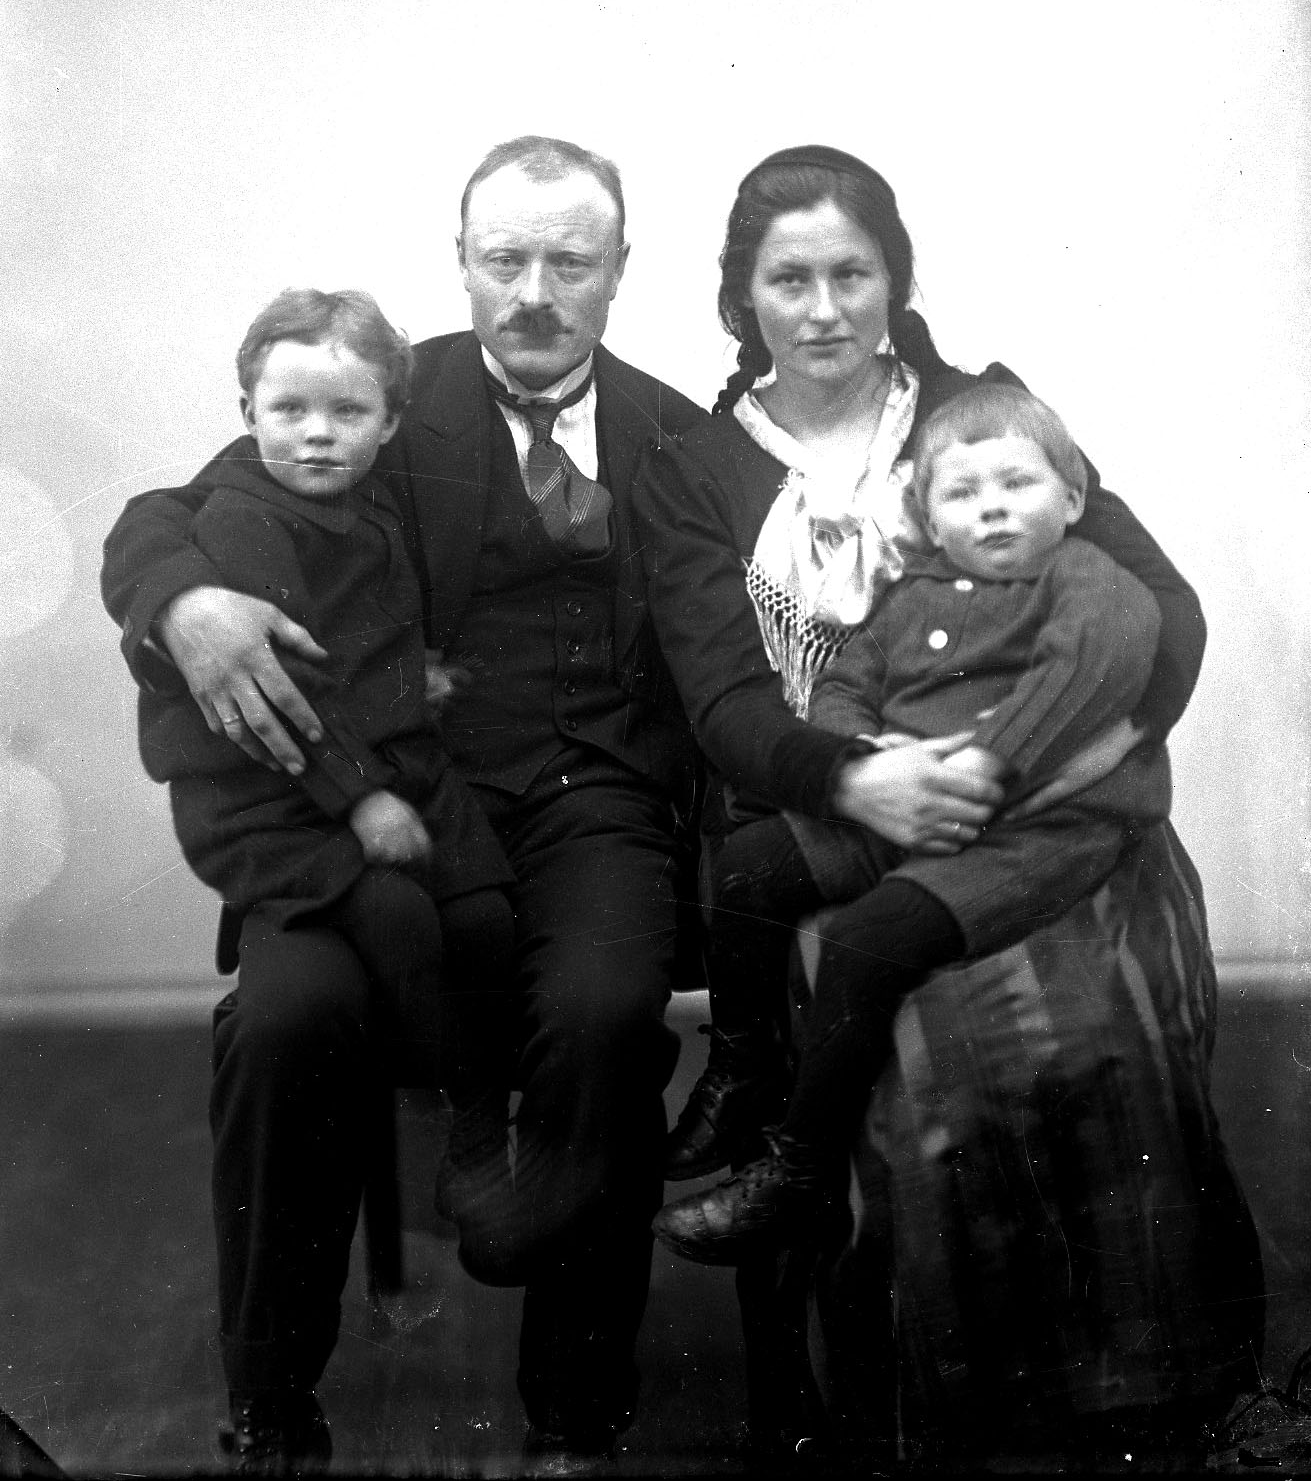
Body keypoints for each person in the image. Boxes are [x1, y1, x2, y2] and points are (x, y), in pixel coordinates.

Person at [631, 145, 1258, 1457]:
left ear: (894, 279)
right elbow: (725, 703)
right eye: (787, 280)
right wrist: (861, 777)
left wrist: (1083, 760)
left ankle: (1126, 1377)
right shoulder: (693, 465)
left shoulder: (980, 414)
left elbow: (1159, 608)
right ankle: (907, 1400)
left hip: (1052, 800)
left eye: (850, 274)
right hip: (823, 794)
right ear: (741, 297)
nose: (822, 309)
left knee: (1089, 1016)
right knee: (911, 1032)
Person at [101, 137, 705, 1472]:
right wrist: (181, 602)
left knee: (605, 1012)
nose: (534, 294)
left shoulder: (675, 432)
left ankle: (575, 1412)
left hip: (587, 803)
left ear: (619, 268)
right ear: (461, 263)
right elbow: (171, 511)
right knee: (283, 1020)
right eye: (505, 259)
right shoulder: (379, 395)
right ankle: (270, 1402)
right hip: (370, 805)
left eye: (570, 261)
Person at [652, 380, 1173, 1260]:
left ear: (1073, 496)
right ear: (928, 519)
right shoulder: (915, 593)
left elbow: (1086, 668)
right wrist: (859, 752)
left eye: (1018, 484)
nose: (992, 508)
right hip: (911, 799)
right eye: (961, 494)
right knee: (746, 864)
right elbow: (847, 679)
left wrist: (985, 762)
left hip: (1034, 828)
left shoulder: (1087, 579)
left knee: (867, 939)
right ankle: (743, 1069)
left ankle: (799, 1170)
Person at [137, 288, 519, 1292]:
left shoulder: (374, 497)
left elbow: (374, 626)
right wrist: (361, 802)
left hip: (384, 755)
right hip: (280, 793)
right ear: (248, 412)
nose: (317, 434)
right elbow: (288, 691)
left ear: (389, 424)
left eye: (348, 412)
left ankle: (483, 1122)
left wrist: (418, 678)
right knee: (400, 916)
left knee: (485, 911)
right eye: (290, 410)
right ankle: (445, 1109)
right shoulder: (247, 518)